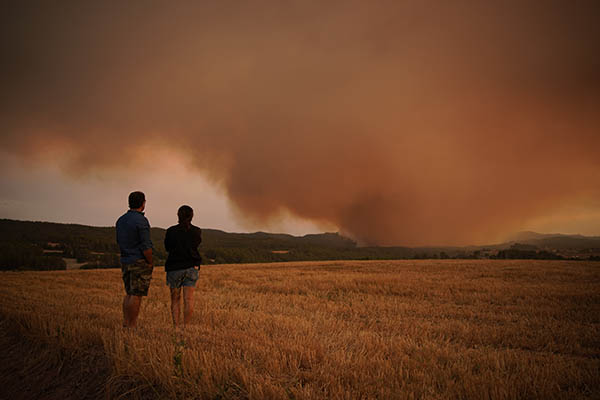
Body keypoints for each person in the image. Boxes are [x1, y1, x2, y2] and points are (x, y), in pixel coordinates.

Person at [116, 191, 154, 328]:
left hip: (125, 260)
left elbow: (119, 241)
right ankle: (132, 325)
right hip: (139, 261)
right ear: (143, 203)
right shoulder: (141, 221)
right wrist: (150, 262)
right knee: (136, 294)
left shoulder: (121, 220)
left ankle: (126, 322)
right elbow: (146, 246)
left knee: (129, 293)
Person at [164, 205, 202, 327]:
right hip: (191, 267)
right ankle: (186, 327)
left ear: (178, 216)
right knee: (189, 300)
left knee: (175, 299)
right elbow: (196, 245)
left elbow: (167, 248)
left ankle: (176, 327)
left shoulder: (171, 231)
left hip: (174, 268)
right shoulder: (196, 231)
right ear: (192, 216)